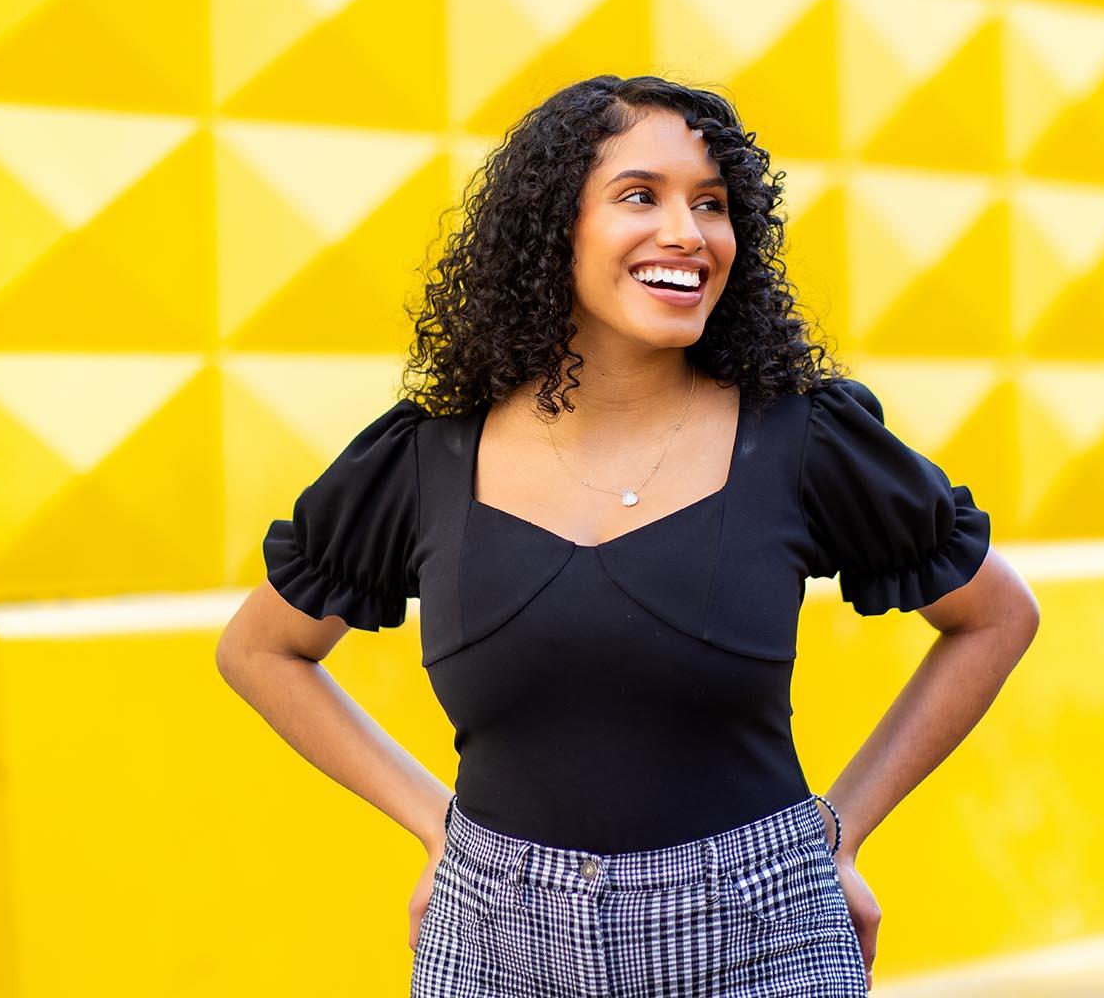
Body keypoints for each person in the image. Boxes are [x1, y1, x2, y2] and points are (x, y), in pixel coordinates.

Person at [216, 74, 1041, 997]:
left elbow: (996, 615)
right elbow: (260, 648)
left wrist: (832, 835)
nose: (689, 234)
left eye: (714, 204)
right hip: (495, 948)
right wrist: (438, 827)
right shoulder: (425, 459)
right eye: (640, 196)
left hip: (762, 941)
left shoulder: (799, 437)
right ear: (551, 227)